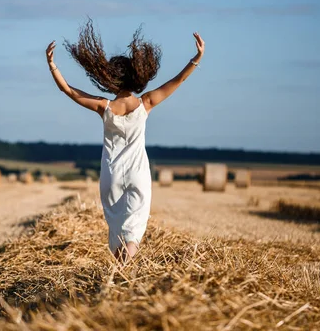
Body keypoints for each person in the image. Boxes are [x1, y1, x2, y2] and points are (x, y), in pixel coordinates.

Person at [45, 19, 205, 261]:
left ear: (111, 78)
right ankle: (126, 270)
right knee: (134, 230)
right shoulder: (146, 103)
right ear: (136, 76)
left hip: (111, 175)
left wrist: (53, 66)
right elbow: (178, 81)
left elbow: (68, 90)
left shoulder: (104, 106)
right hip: (138, 173)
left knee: (118, 228)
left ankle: (121, 269)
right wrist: (196, 58)